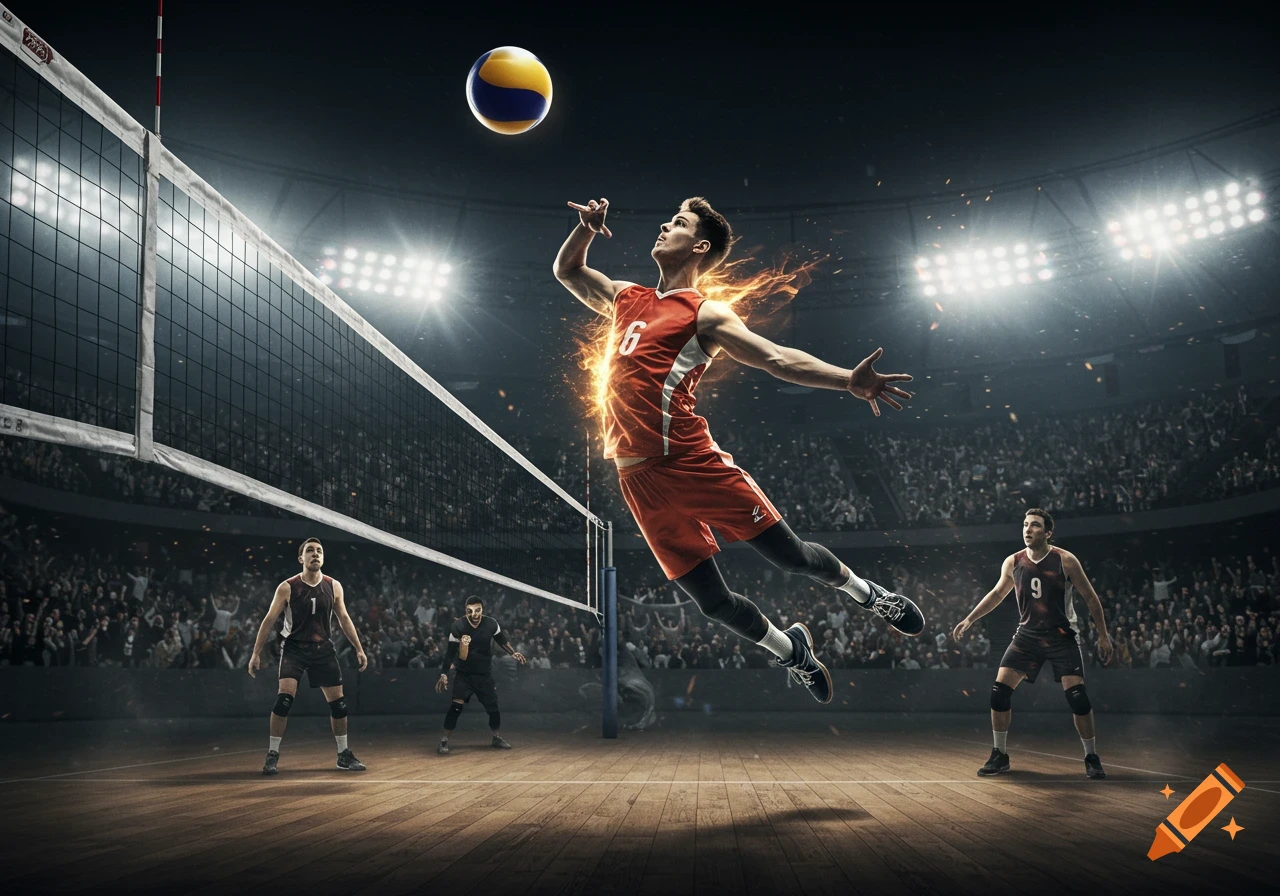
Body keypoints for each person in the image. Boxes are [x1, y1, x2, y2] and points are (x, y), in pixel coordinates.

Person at [553, 196, 925, 705]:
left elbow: (776, 359)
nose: (664, 224)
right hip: (636, 478)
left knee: (792, 558)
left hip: (690, 462)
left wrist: (848, 382)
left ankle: (869, 595)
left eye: (678, 223)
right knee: (712, 603)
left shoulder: (705, 313)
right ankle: (790, 649)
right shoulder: (625, 297)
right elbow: (568, 269)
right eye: (667, 218)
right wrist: (587, 229)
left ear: (699, 246)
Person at [952, 509, 1114, 780]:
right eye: (1025, 525)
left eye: (1035, 525)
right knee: (999, 692)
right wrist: (970, 618)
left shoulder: (1065, 560)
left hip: (1061, 635)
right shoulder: (1013, 562)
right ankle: (999, 755)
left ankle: (1091, 756)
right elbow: (997, 593)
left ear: (1048, 532)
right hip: (1027, 635)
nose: (1028, 529)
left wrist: (1103, 635)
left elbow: (1091, 597)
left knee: (1078, 697)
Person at [249, 537, 369, 776]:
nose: (315, 554)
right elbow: (269, 620)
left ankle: (343, 755)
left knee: (339, 704)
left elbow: (344, 618)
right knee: (284, 700)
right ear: (301, 558)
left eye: (319, 551)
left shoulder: (334, 586)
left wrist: (359, 648)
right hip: (294, 648)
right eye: (310, 551)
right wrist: (255, 653)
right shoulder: (287, 587)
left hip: (323, 649)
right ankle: (272, 754)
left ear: (323, 558)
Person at [434, 596, 526, 754]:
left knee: (493, 708)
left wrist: (513, 652)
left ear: (482, 610)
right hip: (464, 675)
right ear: (466, 611)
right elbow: (450, 653)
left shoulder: (491, 623)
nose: (475, 614)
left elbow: (501, 640)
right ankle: (444, 740)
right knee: (456, 707)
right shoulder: (458, 626)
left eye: (478, 610)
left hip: (484, 675)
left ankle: (496, 737)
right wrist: (444, 673)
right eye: (470, 611)